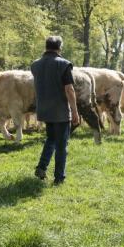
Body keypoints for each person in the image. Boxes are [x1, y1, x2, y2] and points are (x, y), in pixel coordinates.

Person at [31, 36, 80, 185]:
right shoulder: (64, 64)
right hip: (60, 111)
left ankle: (41, 167)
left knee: (51, 139)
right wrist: (75, 112)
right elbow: (69, 89)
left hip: (44, 109)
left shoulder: (35, 65)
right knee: (61, 145)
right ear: (60, 48)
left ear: (46, 47)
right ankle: (59, 178)